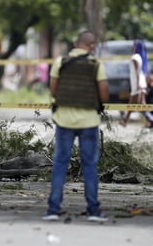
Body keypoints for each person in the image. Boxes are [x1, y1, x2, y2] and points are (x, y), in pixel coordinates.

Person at [43, 31, 110, 222]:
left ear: (75, 43)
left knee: (60, 164)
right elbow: (104, 95)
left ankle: (53, 210)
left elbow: (54, 90)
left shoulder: (60, 62)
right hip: (89, 122)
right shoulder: (96, 64)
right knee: (89, 165)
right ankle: (94, 211)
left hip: (64, 121)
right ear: (91, 45)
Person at [119, 40, 149, 127]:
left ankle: (148, 120)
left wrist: (138, 84)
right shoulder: (140, 57)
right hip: (139, 82)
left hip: (137, 83)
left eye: (133, 45)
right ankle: (125, 120)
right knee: (137, 103)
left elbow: (137, 72)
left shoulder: (135, 57)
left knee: (138, 103)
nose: (132, 47)